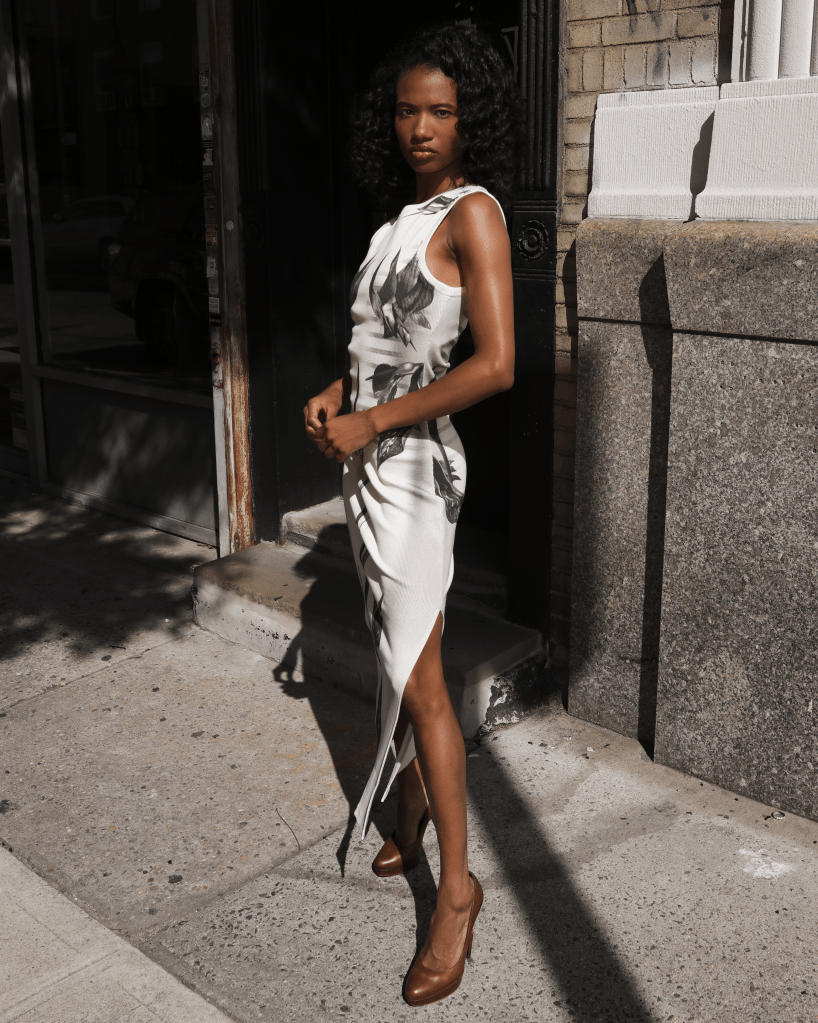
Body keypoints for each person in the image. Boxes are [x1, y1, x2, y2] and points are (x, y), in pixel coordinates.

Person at [303, 22, 520, 1007]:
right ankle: (412, 810)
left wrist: (376, 419)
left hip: (417, 473)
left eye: (440, 111)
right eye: (405, 110)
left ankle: (459, 893)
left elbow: (495, 364)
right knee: (401, 654)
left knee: (425, 683)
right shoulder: (398, 220)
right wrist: (335, 394)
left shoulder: (474, 216)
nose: (421, 127)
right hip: (369, 466)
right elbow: (379, 348)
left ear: (470, 119)